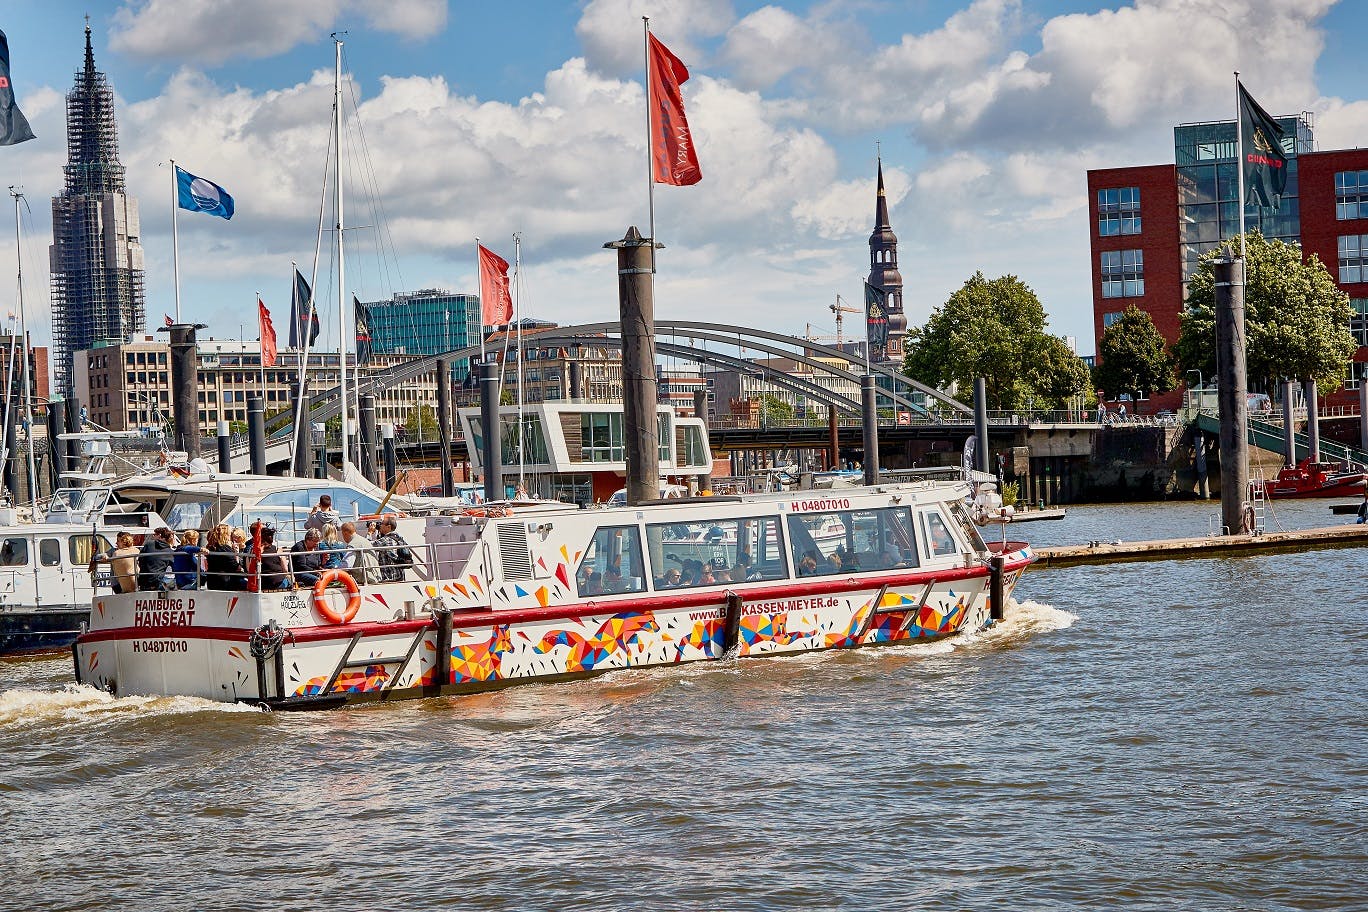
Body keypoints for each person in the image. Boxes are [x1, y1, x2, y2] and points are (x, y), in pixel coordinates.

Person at [372, 514, 413, 582]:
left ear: (388, 527)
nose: (380, 526)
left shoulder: (386, 540)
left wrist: (369, 533)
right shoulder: (398, 537)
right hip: (399, 575)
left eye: (382, 524)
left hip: (389, 577)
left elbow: (368, 546)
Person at [204, 524, 246, 591]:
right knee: (249, 584)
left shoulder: (212, 547)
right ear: (226, 534)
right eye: (230, 534)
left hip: (212, 581)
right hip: (225, 582)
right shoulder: (224, 548)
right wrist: (236, 554)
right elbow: (236, 567)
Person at [137, 527, 177, 592]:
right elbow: (175, 568)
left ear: (160, 536)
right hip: (157, 584)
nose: (153, 536)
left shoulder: (149, 544)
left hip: (143, 583)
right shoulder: (170, 552)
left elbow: (140, 560)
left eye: (154, 534)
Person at [257, 526, 292, 591]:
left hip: (262, 583)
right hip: (278, 582)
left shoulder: (256, 552)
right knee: (290, 580)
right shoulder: (277, 550)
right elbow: (285, 569)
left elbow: (249, 569)